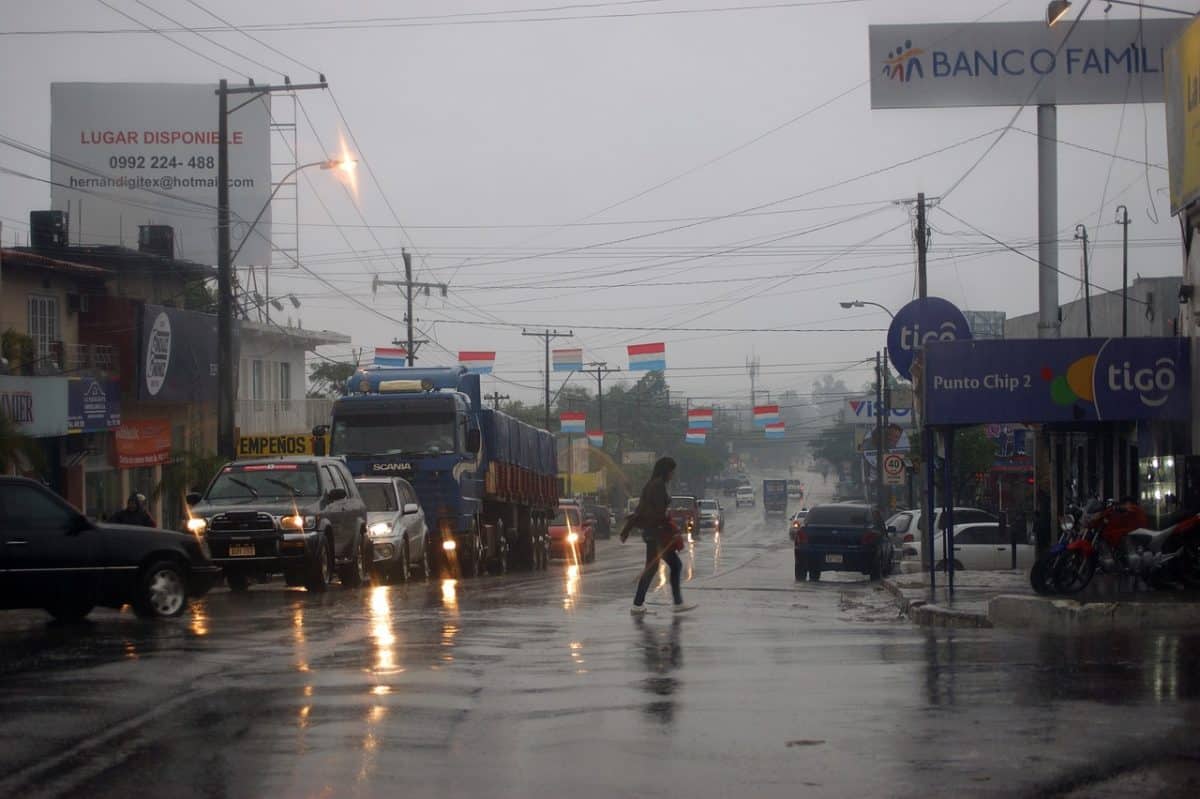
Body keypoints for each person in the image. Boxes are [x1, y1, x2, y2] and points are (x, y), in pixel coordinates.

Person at [620, 456, 695, 615]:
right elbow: (657, 513)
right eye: (672, 472)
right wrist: (671, 531)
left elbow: (641, 510)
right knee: (670, 566)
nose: (673, 475)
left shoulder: (651, 485)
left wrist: (628, 528)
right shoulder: (657, 486)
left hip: (653, 532)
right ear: (666, 471)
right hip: (657, 533)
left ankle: (639, 604)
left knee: (655, 567)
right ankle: (672, 603)